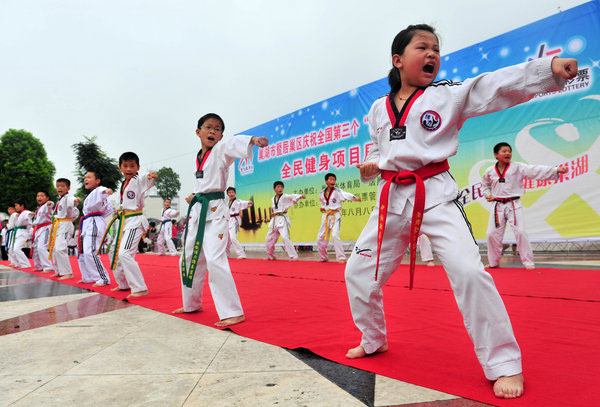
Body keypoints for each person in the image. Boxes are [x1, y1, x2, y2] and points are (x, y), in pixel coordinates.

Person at [343, 24, 577, 399]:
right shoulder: (377, 109)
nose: (433, 54)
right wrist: (372, 163)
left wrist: (545, 70)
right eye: (423, 47)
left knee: (470, 271)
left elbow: (493, 86)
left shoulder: (446, 96)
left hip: (435, 195)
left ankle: (503, 363)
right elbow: (380, 148)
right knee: (357, 272)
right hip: (391, 198)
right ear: (398, 60)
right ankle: (373, 338)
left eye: (437, 48)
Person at [172, 113, 268, 327]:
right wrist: (193, 195)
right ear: (198, 132)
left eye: (217, 129)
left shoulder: (221, 151)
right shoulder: (199, 157)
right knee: (187, 259)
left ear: (221, 135)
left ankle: (232, 311)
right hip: (198, 211)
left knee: (215, 259)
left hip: (215, 212)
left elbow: (233, 144)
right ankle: (191, 304)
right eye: (208, 127)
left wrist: (251, 140)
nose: (213, 131)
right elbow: (203, 184)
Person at [482, 142, 567, 270]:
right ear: (496, 155)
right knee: (491, 234)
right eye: (504, 151)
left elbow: (535, 170)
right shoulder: (489, 171)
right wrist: (487, 194)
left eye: (509, 151)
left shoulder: (517, 167)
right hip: (497, 205)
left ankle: (528, 262)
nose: (507, 153)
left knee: (521, 232)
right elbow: (485, 185)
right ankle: (494, 262)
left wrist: (555, 170)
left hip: (513, 204)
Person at [101, 152, 157, 298]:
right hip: (124, 222)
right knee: (113, 251)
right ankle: (123, 284)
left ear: (138, 167)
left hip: (135, 222)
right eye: (125, 166)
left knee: (125, 253)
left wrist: (151, 176)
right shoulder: (124, 183)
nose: (129, 169)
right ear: (120, 167)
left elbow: (147, 179)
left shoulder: (138, 179)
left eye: (132, 166)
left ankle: (139, 288)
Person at [75, 171, 113, 286]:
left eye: (89, 177)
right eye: (85, 177)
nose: (86, 179)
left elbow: (104, 192)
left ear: (97, 181)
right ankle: (88, 276)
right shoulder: (91, 194)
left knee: (90, 251)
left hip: (94, 222)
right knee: (82, 252)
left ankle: (103, 278)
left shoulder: (99, 190)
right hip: (87, 222)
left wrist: (107, 192)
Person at [317, 173, 361, 263]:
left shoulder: (338, 191)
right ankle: (323, 257)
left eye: (334, 180)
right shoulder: (322, 193)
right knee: (320, 237)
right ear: (326, 181)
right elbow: (323, 203)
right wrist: (323, 207)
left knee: (335, 235)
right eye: (331, 179)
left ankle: (341, 257)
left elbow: (346, 195)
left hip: (335, 215)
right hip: (326, 216)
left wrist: (355, 198)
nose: (333, 181)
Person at [265, 181, 305, 261]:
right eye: (278, 187)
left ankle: (294, 256)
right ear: (274, 189)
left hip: (282, 219)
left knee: (285, 237)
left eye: (281, 187)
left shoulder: (285, 196)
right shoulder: (273, 199)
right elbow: (276, 208)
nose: (280, 189)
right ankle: (271, 256)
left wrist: (300, 196)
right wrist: (274, 213)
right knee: (268, 238)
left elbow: (292, 196)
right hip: (275, 220)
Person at [48, 178, 78, 280]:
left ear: (68, 188)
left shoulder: (68, 197)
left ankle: (68, 273)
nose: (59, 188)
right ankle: (59, 271)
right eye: (58, 186)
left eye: (62, 186)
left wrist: (75, 201)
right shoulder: (60, 199)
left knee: (61, 248)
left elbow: (72, 201)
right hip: (59, 225)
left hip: (65, 224)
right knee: (55, 249)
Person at [31, 191, 55, 272]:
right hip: (38, 229)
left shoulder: (46, 206)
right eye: (38, 196)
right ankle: (38, 266)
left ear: (47, 198)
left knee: (42, 247)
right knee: (35, 248)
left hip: (45, 228)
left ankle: (48, 266)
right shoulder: (38, 208)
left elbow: (51, 205)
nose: (39, 197)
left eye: (42, 196)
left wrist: (50, 203)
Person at [226, 186, 252, 259]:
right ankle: (226, 254)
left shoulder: (237, 201)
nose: (231, 194)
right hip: (228, 220)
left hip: (234, 220)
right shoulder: (227, 202)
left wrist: (248, 203)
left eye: (232, 192)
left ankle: (241, 254)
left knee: (233, 238)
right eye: (229, 192)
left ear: (235, 193)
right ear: (227, 194)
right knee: (226, 239)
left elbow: (244, 203)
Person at [11, 199, 33, 269]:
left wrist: (31, 214)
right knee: (14, 249)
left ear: (22, 206)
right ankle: (18, 263)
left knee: (16, 248)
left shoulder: (25, 212)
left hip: (23, 232)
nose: (15, 207)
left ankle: (26, 264)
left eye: (16, 205)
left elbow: (30, 213)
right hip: (19, 232)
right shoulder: (21, 214)